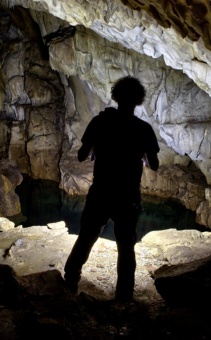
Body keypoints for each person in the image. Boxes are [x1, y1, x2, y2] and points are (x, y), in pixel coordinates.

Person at [63, 76, 160, 302]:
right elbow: (154, 165)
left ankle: (69, 282)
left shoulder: (100, 122)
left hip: (102, 192)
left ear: (115, 96)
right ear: (138, 100)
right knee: (126, 246)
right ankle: (124, 297)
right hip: (128, 195)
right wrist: (141, 156)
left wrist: (99, 146)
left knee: (86, 237)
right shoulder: (143, 129)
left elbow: (80, 156)